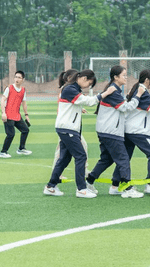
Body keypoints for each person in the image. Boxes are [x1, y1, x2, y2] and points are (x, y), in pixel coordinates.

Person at [45, 70, 115, 198]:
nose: (89, 86)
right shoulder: (70, 89)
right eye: (89, 82)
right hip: (67, 128)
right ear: (83, 78)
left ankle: (51, 186)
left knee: (64, 158)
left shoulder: (72, 88)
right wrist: (105, 93)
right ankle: (81, 189)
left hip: (67, 128)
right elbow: (90, 101)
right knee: (81, 156)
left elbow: (76, 103)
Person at [85, 65, 146, 198]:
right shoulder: (113, 91)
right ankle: (127, 187)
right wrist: (138, 95)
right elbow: (126, 108)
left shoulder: (114, 90)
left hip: (106, 131)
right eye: (124, 75)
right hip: (110, 131)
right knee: (123, 158)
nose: (126, 77)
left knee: (107, 159)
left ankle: (89, 181)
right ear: (115, 77)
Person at [0, 70, 32, 158]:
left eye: (19, 77)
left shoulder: (23, 90)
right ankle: (3, 152)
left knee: (25, 130)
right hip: (8, 115)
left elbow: (24, 103)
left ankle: (21, 149)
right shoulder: (9, 88)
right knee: (11, 134)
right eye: (16, 77)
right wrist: (3, 113)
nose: (17, 79)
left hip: (17, 115)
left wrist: (26, 115)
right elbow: (3, 100)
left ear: (23, 80)